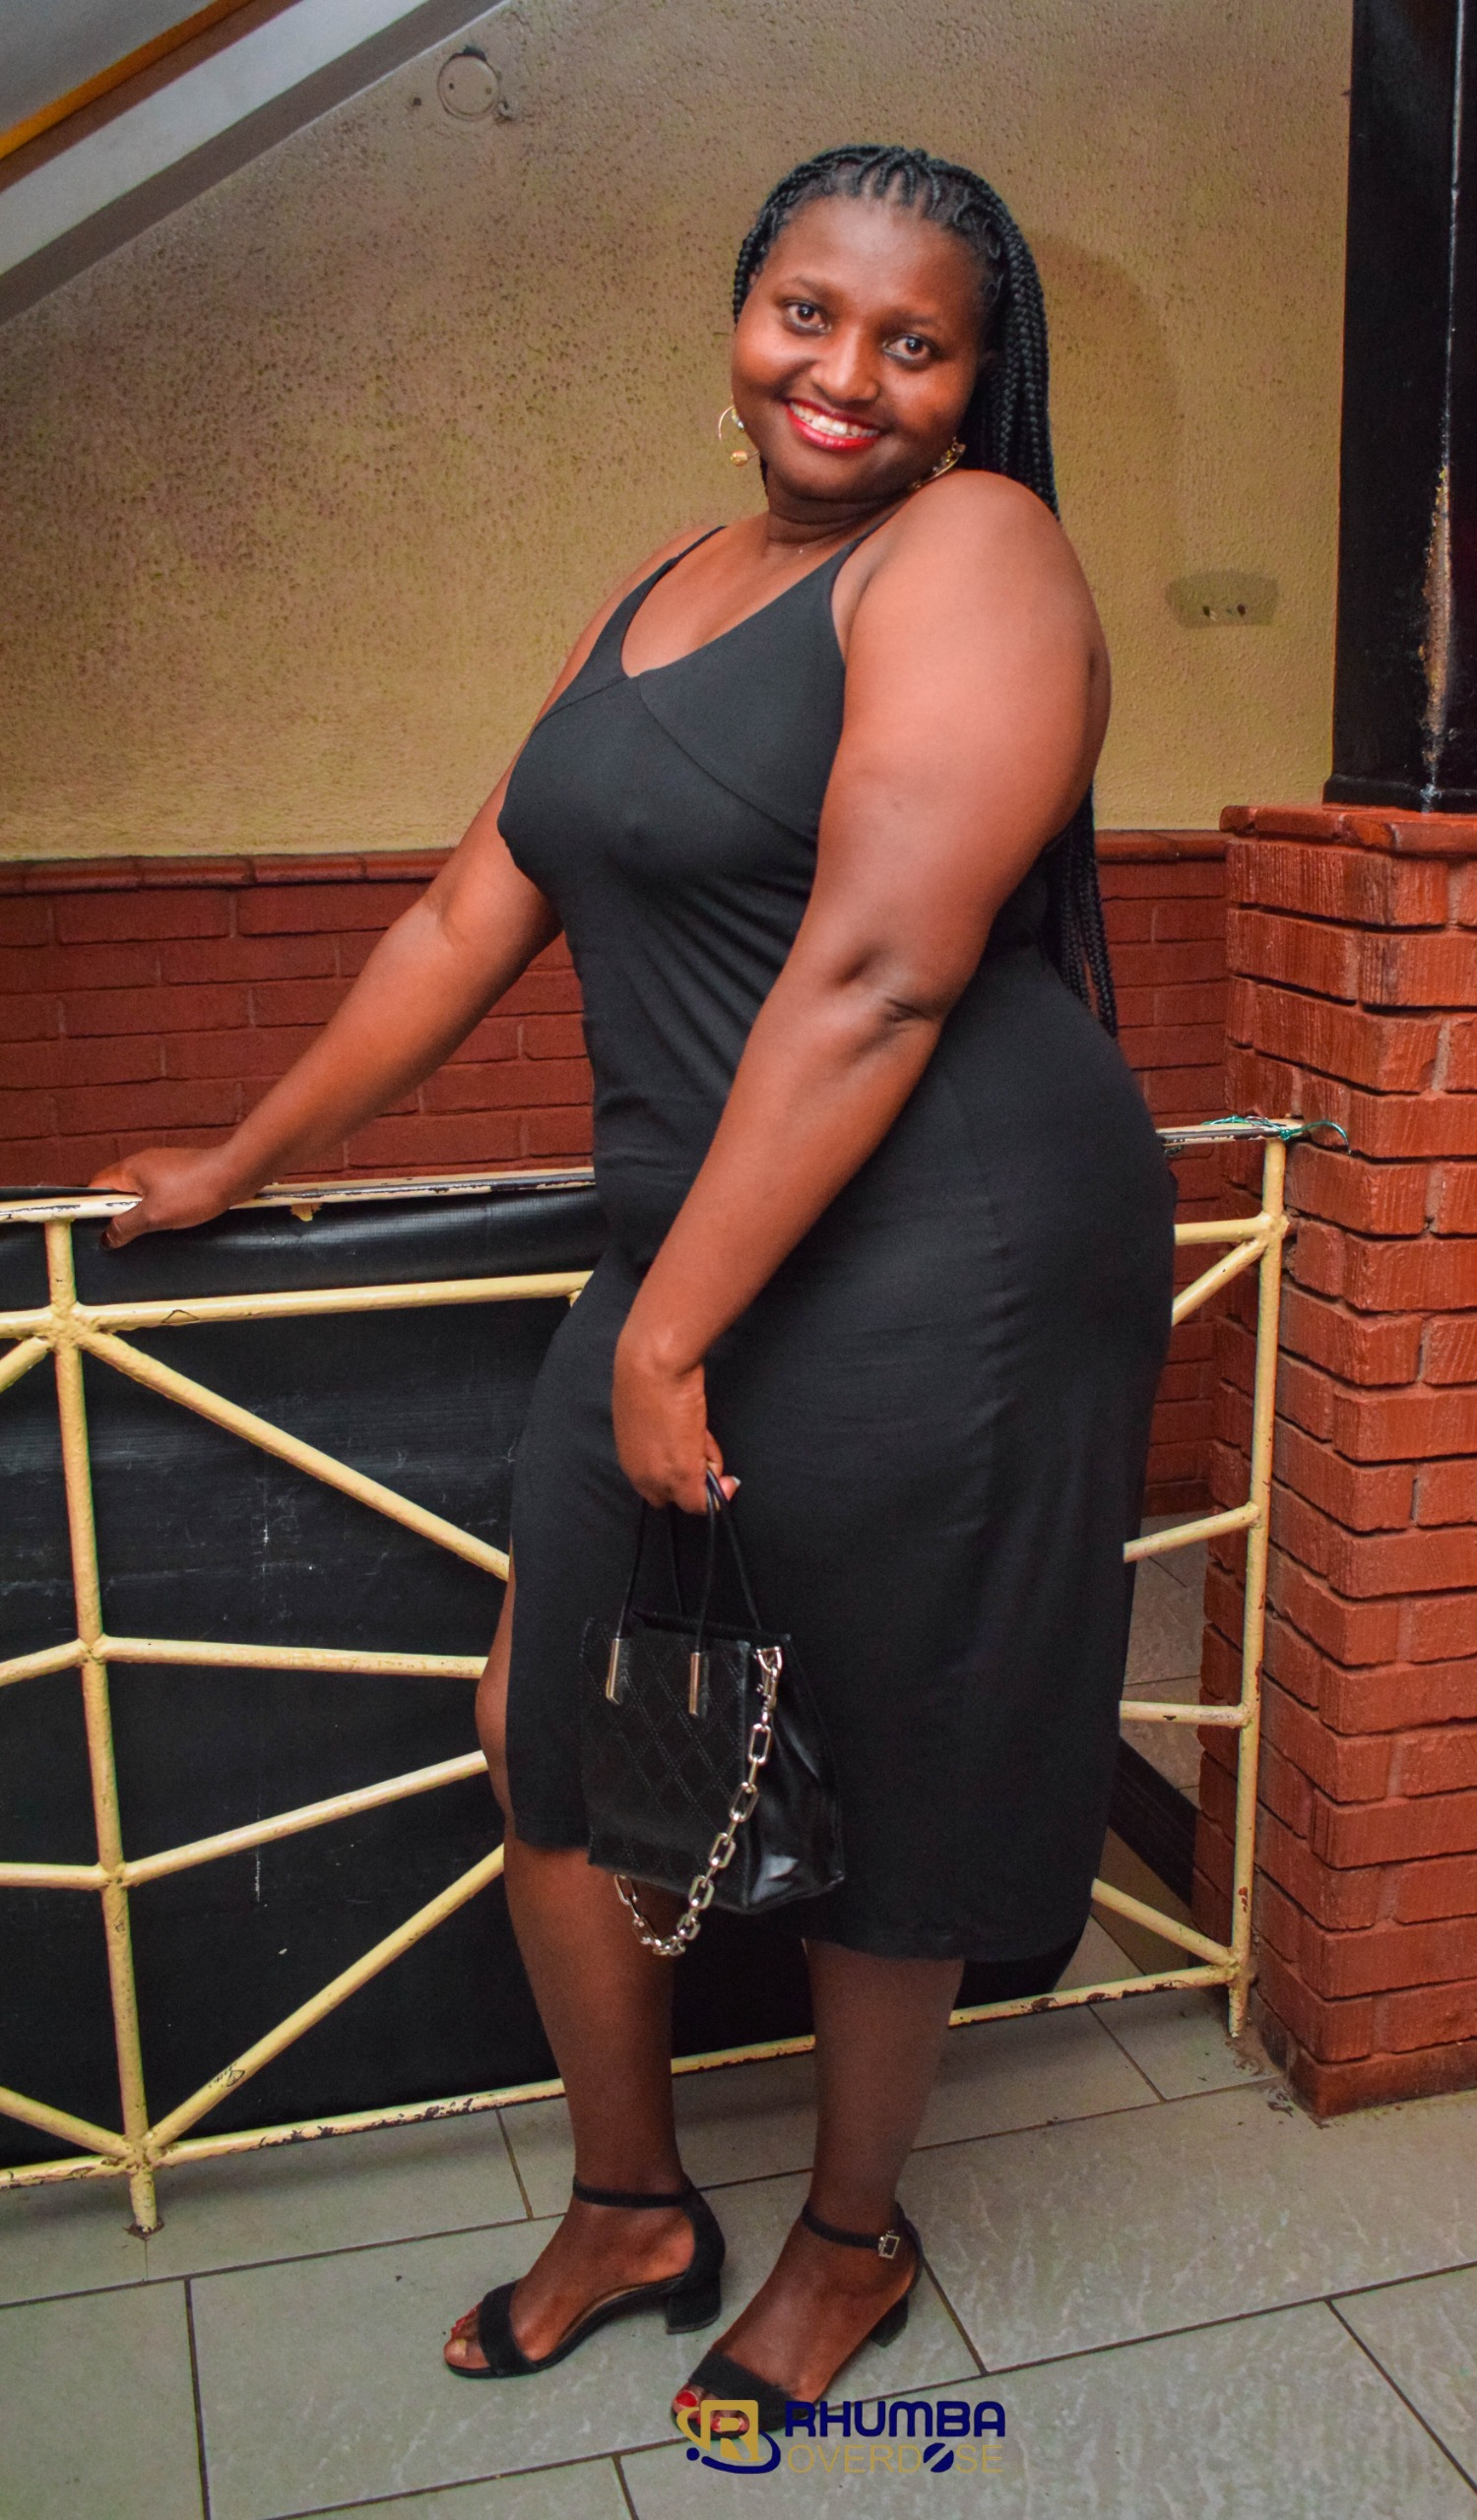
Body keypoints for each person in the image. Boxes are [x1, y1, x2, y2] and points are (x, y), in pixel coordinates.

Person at [93, 144, 1176, 2434]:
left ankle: (852, 2239)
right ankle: (629, 2199)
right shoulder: (665, 582)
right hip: (699, 1231)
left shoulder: (974, 547)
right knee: (553, 1726)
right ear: (740, 316)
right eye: (808, 313)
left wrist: (667, 1329)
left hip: (942, 1242)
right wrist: (241, 1154)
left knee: (885, 1741)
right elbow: (463, 912)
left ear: (975, 384)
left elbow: (879, 969)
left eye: (914, 343)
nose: (846, 373)